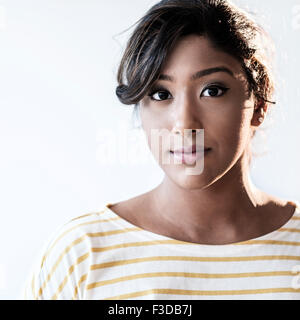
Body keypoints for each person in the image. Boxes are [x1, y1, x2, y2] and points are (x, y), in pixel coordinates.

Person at [24, 0, 300, 300]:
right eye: (160, 93)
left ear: (258, 104)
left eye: (212, 90)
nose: (184, 123)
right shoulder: (81, 256)